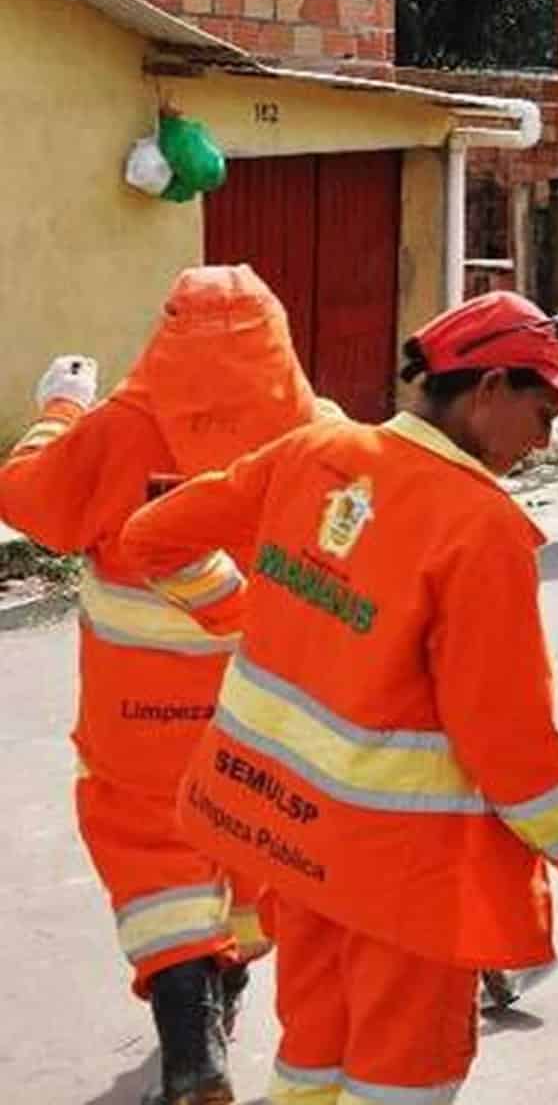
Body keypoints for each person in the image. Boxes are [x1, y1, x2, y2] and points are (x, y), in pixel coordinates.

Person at [120, 291, 558, 1105]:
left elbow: (153, 538)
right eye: (543, 415)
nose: (545, 443)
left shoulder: (315, 450)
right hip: (406, 877)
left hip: (294, 844)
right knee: (403, 1078)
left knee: (315, 1055)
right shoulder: (479, 528)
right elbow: (509, 737)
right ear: (489, 390)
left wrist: (251, 616)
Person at [0, 266, 328, 1105]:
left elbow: (32, 501)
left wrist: (60, 407)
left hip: (140, 707)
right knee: (254, 832)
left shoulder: (119, 429)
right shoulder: (319, 433)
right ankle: (234, 979)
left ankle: (192, 1042)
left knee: (148, 847)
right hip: (269, 699)